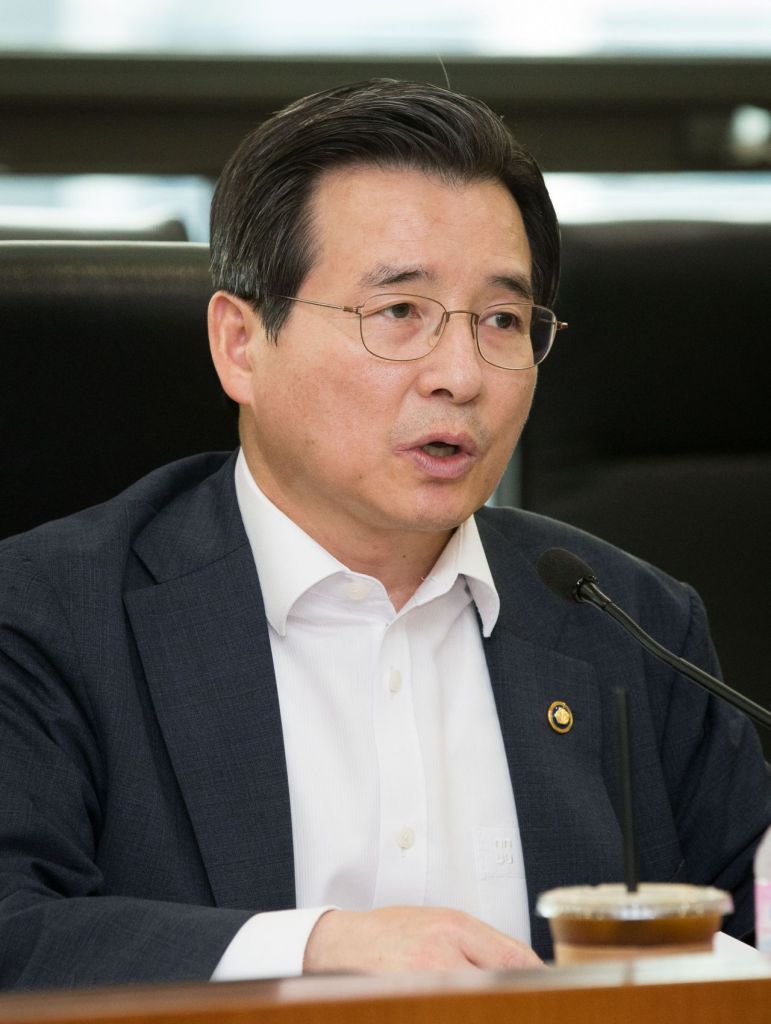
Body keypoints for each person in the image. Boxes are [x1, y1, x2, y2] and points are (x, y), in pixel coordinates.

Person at [0, 79, 768, 991]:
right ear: (241, 344)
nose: (460, 375)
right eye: (399, 312)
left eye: (502, 321)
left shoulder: (630, 623)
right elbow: (15, 929)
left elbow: (746, 912)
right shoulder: (48, 616)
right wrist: (317, 953)